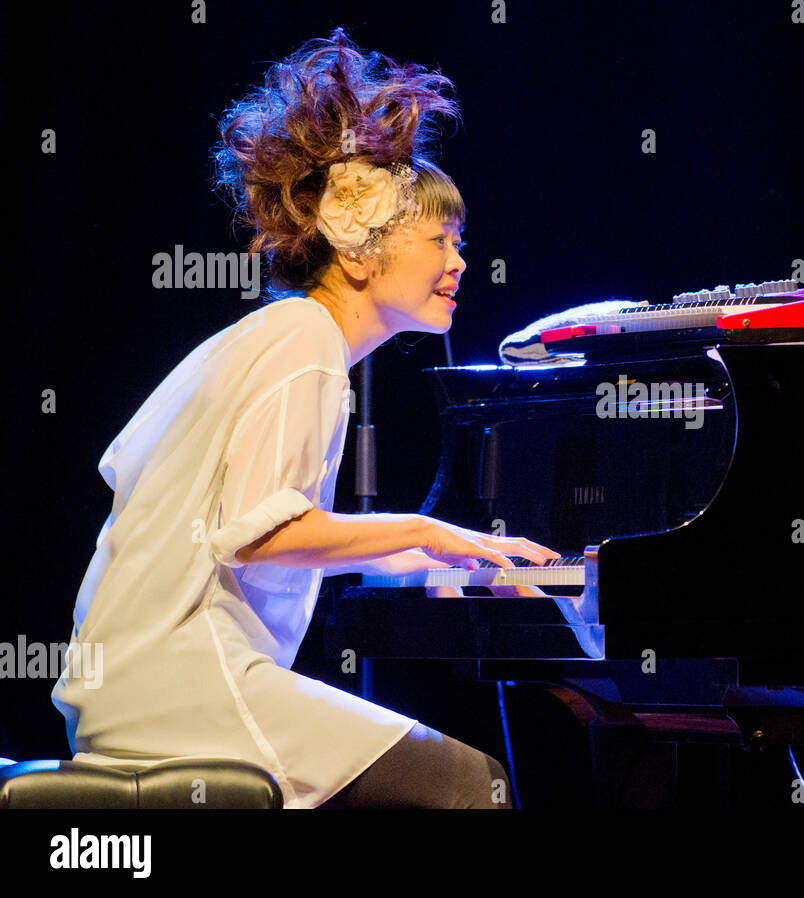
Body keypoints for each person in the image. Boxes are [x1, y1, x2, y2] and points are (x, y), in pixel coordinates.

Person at [50, 29, 555, 809]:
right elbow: (259, 537)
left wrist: (464, 562)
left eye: (461, 243)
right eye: (439, 240)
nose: (458, 262)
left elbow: (268, 540)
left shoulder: (278, 336)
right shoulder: (306, 342)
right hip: (185, 683)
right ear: (360, 255)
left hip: (139, 680)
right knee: (473, 785)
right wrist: (427, 532)